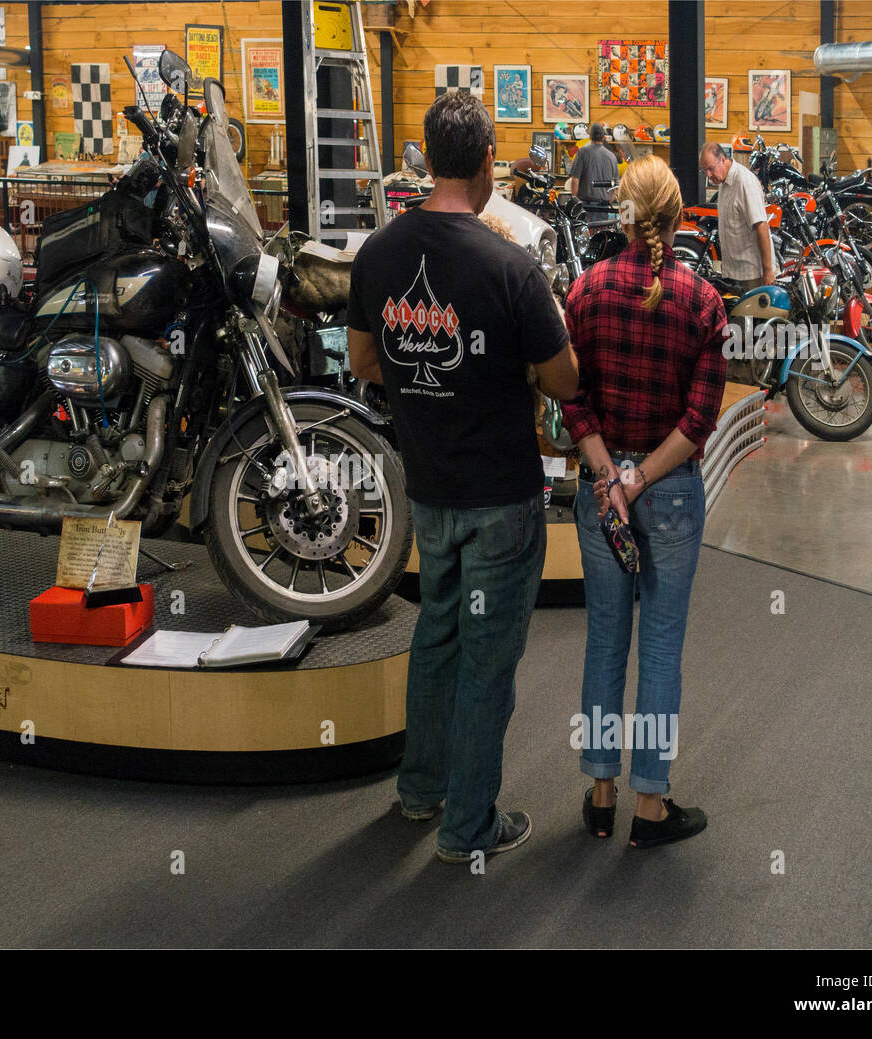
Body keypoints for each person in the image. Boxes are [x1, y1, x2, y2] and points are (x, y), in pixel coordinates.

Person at [347, 91, 578, 864]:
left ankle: (420, 791)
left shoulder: (378, 253)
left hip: (430, 488)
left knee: (437, 634)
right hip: (501, 496)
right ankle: (468, 826)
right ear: (485, 162)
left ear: (425, 157)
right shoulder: (510, 264)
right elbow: (565, 381)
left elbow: (364, 361)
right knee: (488, 659)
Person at [561, 156, 727, 849]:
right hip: (671, 495)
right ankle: (650, 808)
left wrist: (610, 477)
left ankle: (600, 795)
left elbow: (571, 399)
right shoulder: (702, 302)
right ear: (679, 215)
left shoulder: (585, 290)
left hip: (603, 495)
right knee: (660, 649)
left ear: (621, 215)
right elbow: (698, 420)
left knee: (605, 641)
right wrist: (640, 479)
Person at [699, 141, 775, 288]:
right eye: (704, 171)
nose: (708, 176)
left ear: (722, 159)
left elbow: (761, 227)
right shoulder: (723, 182)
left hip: (753, 273)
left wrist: (768, 272)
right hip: (735, 271)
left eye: (711, 169)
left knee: (753, 311)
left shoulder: (745, 182)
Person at [569, 123, 620, 222]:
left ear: (590, 136)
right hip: (603, 207)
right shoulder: (612, 156)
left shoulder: (582, 152)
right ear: (604, 137)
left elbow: (575, 180)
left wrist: (575, 200)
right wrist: (608, 200)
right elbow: (616, 186)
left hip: (585, 206)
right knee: (601, 234)